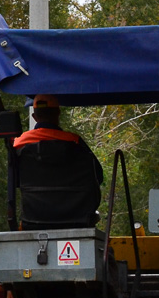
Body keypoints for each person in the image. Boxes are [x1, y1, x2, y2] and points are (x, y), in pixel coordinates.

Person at [12, 94, 104, 229]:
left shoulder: (19, 145)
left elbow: (14, 181)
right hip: (76, 219)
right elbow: (97, 177)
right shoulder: (75, 142)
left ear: (34, 117)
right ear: (58, 113)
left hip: (33, 219)